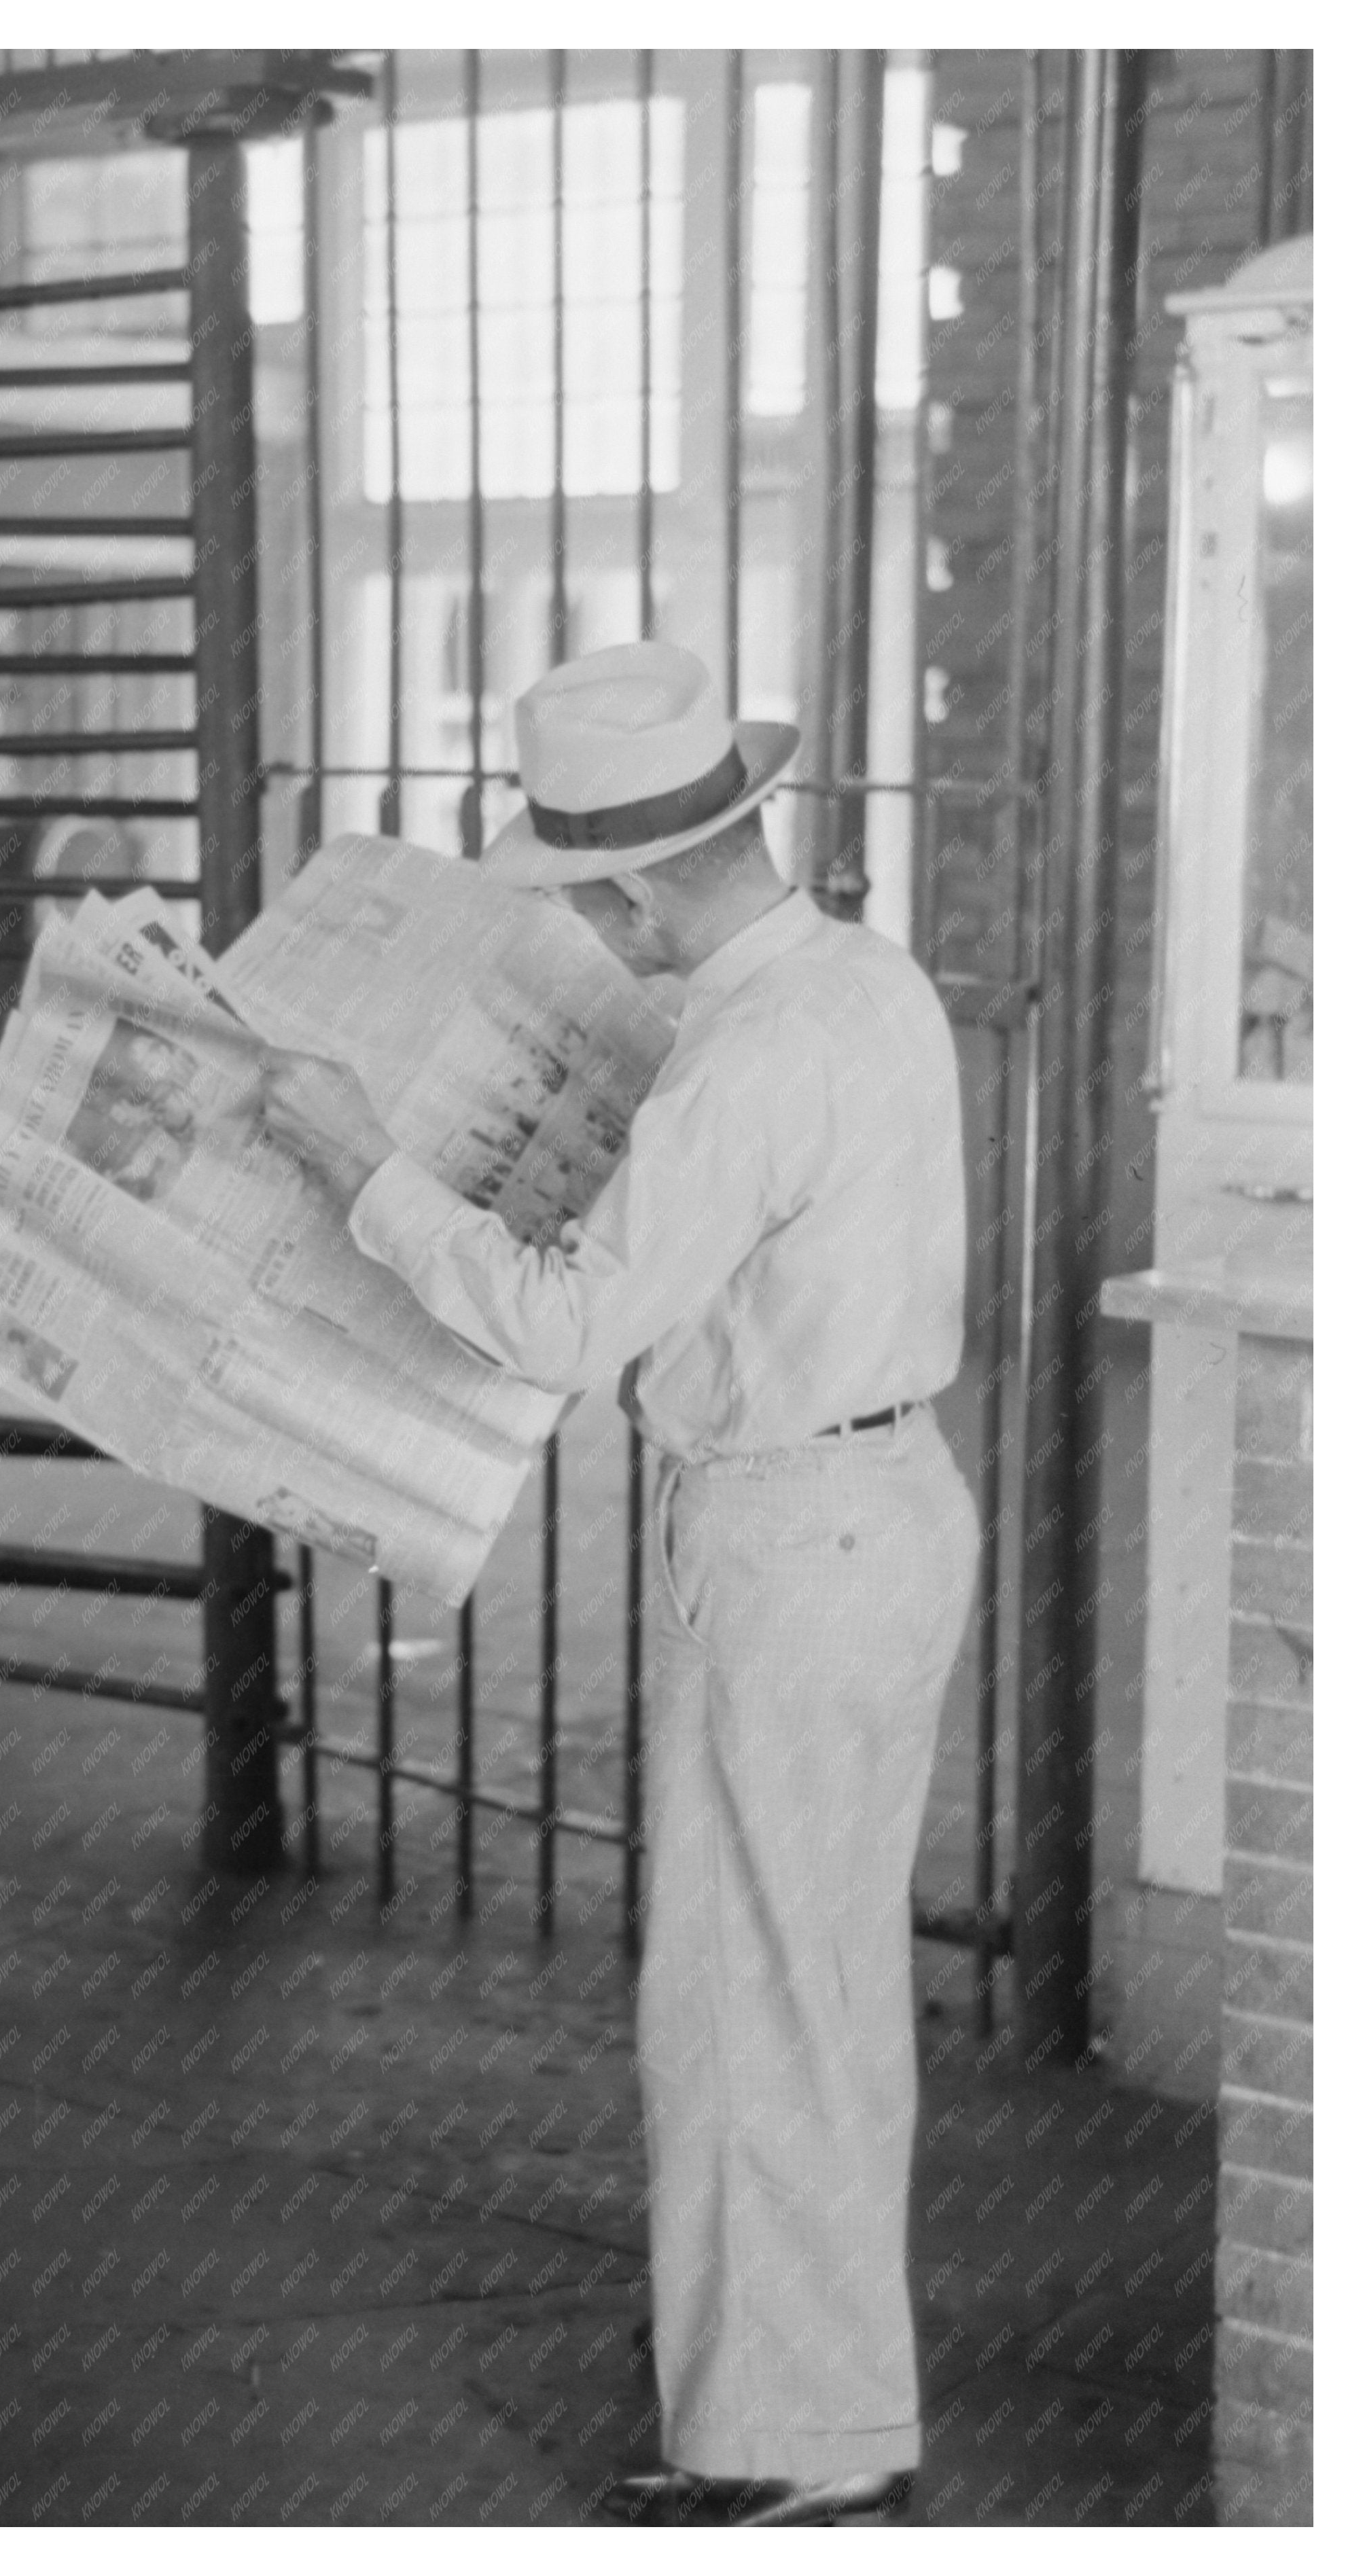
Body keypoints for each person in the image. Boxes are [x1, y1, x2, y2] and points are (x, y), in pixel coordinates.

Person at [262, 641, 978, 2529]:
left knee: (754, 2005)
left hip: (789, 1531)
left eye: (585, 896)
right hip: (882, 1504)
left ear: (640, 883)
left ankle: (794, 2456)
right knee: (805, 1984)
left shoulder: (747, 1056)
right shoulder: (861, 983)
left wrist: (369, 1176)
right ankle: (806, 2414)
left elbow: (569, 1325)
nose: (588, 929)